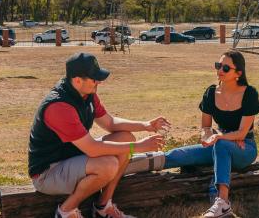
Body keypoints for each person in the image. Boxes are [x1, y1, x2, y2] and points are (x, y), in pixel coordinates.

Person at [28, 52, 169, 218]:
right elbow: (93, 149)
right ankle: (66, 211)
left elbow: (109, 123)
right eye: (94, 78)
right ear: (77, 80)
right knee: (108, 164)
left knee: (125, 137)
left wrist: (145, 125)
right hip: (47, 173)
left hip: (72, 158)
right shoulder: (59, 106)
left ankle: (103, 207)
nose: (99, 82)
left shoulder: (86, 94)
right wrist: (138, 146)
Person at [163, 50, 259, 218]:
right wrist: (207, 137)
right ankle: (133, 161)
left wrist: (222, 137)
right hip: (220, 143)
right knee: (179, 154)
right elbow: (205, 128)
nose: (219, 71)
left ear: (238, 73)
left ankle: (222, 204)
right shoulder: (211, 92)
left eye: (225, 68)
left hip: (245, 148)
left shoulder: (249, 93)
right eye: (218, 66)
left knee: (222, 145)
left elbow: (242, 133)